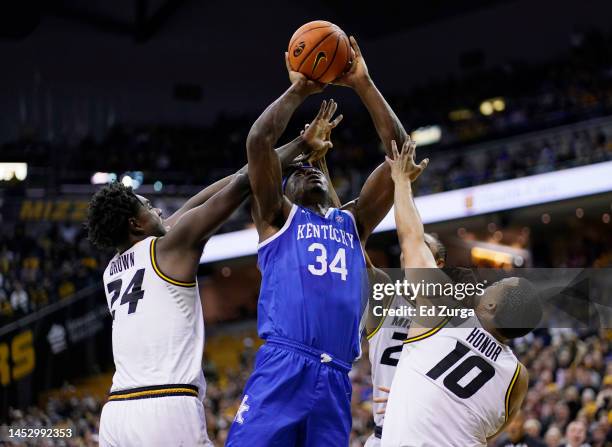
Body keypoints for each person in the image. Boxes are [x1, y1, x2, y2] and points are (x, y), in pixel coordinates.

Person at [86, 104, 339, 447]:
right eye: (147, 207)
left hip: (116, 412)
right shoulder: (167, 247)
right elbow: (240, 184)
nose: (158, 210)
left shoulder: (114, 269)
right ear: (134, 224)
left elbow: (204, 197)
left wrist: (294, 151)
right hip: (164, 404)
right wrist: (300, 145)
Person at [227, 36, 410, 446]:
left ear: (332, 186)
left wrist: (364, 84)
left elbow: (401, 154)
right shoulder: (277, 218)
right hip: (284, 365)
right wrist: (300, 89)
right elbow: (259, 143)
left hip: (336, 380)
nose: (308, 173)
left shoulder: (352, 223)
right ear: (281, 189)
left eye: (316, 171)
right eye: (295, 173)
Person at [381, 139, 543, 447]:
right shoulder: (517, 378)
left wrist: (401, 181)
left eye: (496, 284)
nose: (488, 284)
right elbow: (486, 431)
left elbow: (412, 240)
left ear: (493, 304)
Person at [364, 234, 446, 447]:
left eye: (422, 248)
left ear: (438, 264)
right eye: (408, 246)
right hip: (386, 436)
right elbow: (351, 245)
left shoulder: (456, 316)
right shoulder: (384, 295)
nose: (411, 251)